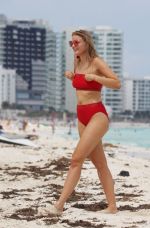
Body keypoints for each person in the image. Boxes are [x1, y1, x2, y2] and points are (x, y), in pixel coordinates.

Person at [38, 30, 121, 216]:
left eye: (76, 42)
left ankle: (58, 206)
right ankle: (112, 207)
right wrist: (72, 77)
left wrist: (97, 78)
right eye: (71, 43)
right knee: (100, 164)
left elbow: (116, 83)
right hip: (81, 115)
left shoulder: (96, 62)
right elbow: (82, 87)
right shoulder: (77, 61)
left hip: (97, 115)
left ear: (86, 43)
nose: (73, 46)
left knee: (76, 160)